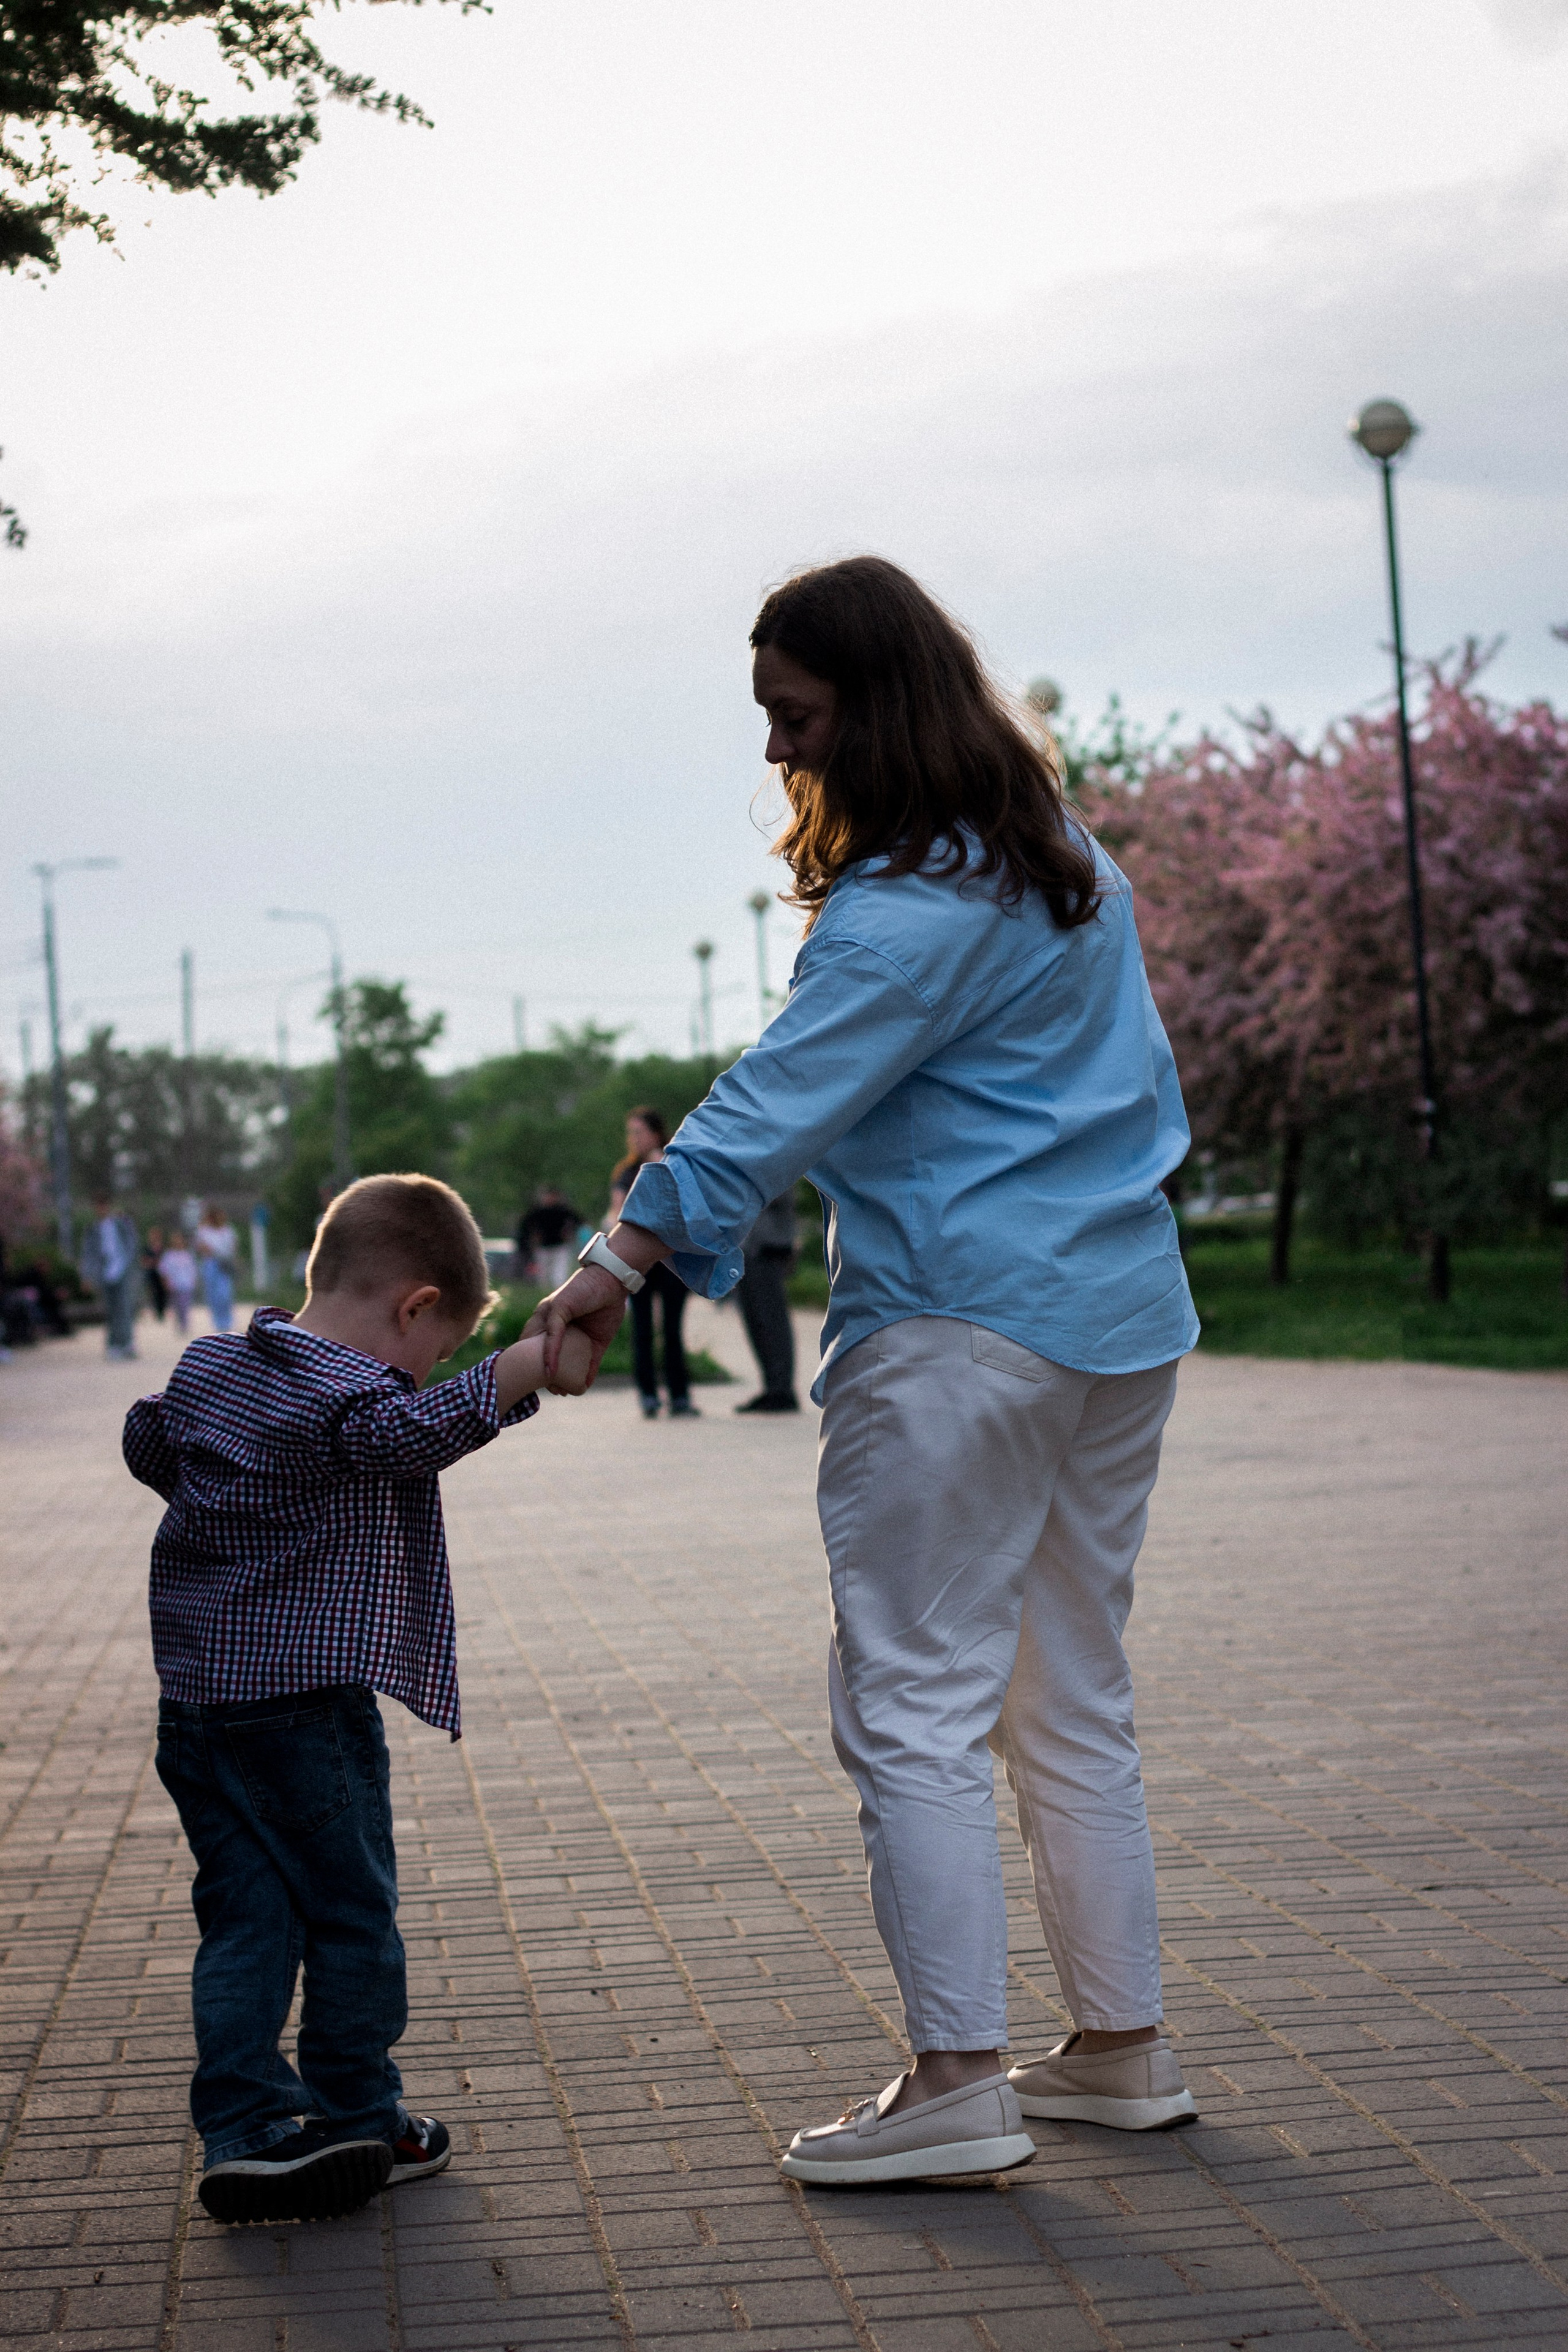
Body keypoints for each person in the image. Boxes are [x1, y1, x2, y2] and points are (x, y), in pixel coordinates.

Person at [535, 557, 1200, 2186]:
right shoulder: (1066, 870)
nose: (777, 751)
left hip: (963, 1332)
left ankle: (957, 2084)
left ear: (877, 705)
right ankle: (1119, 2049)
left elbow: (778, 1099)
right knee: (1071, 1699)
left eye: (798, 716)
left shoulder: (910, 904)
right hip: (1116, 1324)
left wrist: (618, 1264)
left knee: (910, 1706)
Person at [123, 1173, 594, 2226]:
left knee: (244, 1917)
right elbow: (400, 1436)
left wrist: (232, 1518)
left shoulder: (214, 1366)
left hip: (197, 1704)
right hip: (302, 1707)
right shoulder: (350, 1399)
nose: (419, 1380)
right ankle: (358, 2115)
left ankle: (244, 2130)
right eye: (431, 1354)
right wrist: (521, 1366)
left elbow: (147, 1440)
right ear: (414, 1308)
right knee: (349, 1914)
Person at [609, 1108, 696, 1420]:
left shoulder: (671, 1163)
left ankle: (680, 1395)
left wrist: (661, 1163)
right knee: (642, 1328)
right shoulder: (626, 1171)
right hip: (638, 1261)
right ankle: (647, 1394)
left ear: (656, 1133)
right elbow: (616, 1214)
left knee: (672, 1329)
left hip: (671, 1259)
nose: (633, 1138)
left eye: (639, 1132)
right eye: (630, 1132)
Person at [733, 1189, 800, 1412]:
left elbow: (775, 1191)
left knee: (771, 1319)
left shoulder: (777, 1156)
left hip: (767, 1247)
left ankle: (782, 1390)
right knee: (757, 1321)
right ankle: (773, 1387)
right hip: (750, 1248)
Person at [80, 1193, 142, 1361]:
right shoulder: (93, 1229)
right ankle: (113, 1344)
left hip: (121, 1270)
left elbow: (132, 1242)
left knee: (124, 1308)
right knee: (110, 1310)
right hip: (104, 1273)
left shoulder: (120, 1224)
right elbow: (88, 1254)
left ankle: (127, 1343)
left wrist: (128, 1264)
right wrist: (87, 1276)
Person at [517, 1185, 580, 1294]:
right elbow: (525, 1227)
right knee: (543, 1277)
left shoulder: (563, 1211)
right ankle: (544, 1296)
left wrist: (569, 1233)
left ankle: (559, 1295)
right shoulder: (537, 1212)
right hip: (543, 1248)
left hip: (560, 1247)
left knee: (560, 1276)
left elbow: (578, 1222)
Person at [195, 1203, 238, 1333]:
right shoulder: (204, 1231)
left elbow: (234, 1246)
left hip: (225, 1263)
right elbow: (201, 1247)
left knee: (226, 1294)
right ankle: (218, 1321)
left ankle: (227, 1321)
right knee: (213, 1295)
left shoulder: (228, 1230)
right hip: (211, 1264)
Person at [159, 1232, 200, 1334]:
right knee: (177, 1306)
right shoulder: (168, 1255)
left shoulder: (187, 1255)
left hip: (186, 1284)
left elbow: (193, 1269)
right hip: (174, 1284)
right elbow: (163, 1270)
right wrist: (166, 1281)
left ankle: (185, 1325)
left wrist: (194, 1280)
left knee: (185, 1305)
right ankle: (179, 1323)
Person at [142, 1227, 168, 1322]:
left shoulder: (163, 1248)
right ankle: (157, 1312)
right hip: (152, 1274)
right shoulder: (147, 1248)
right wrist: (153, 1263)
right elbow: (144, 1261)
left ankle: (162, 1312)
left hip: (163, 1274)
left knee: (163, 1293)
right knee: (154, 1293)